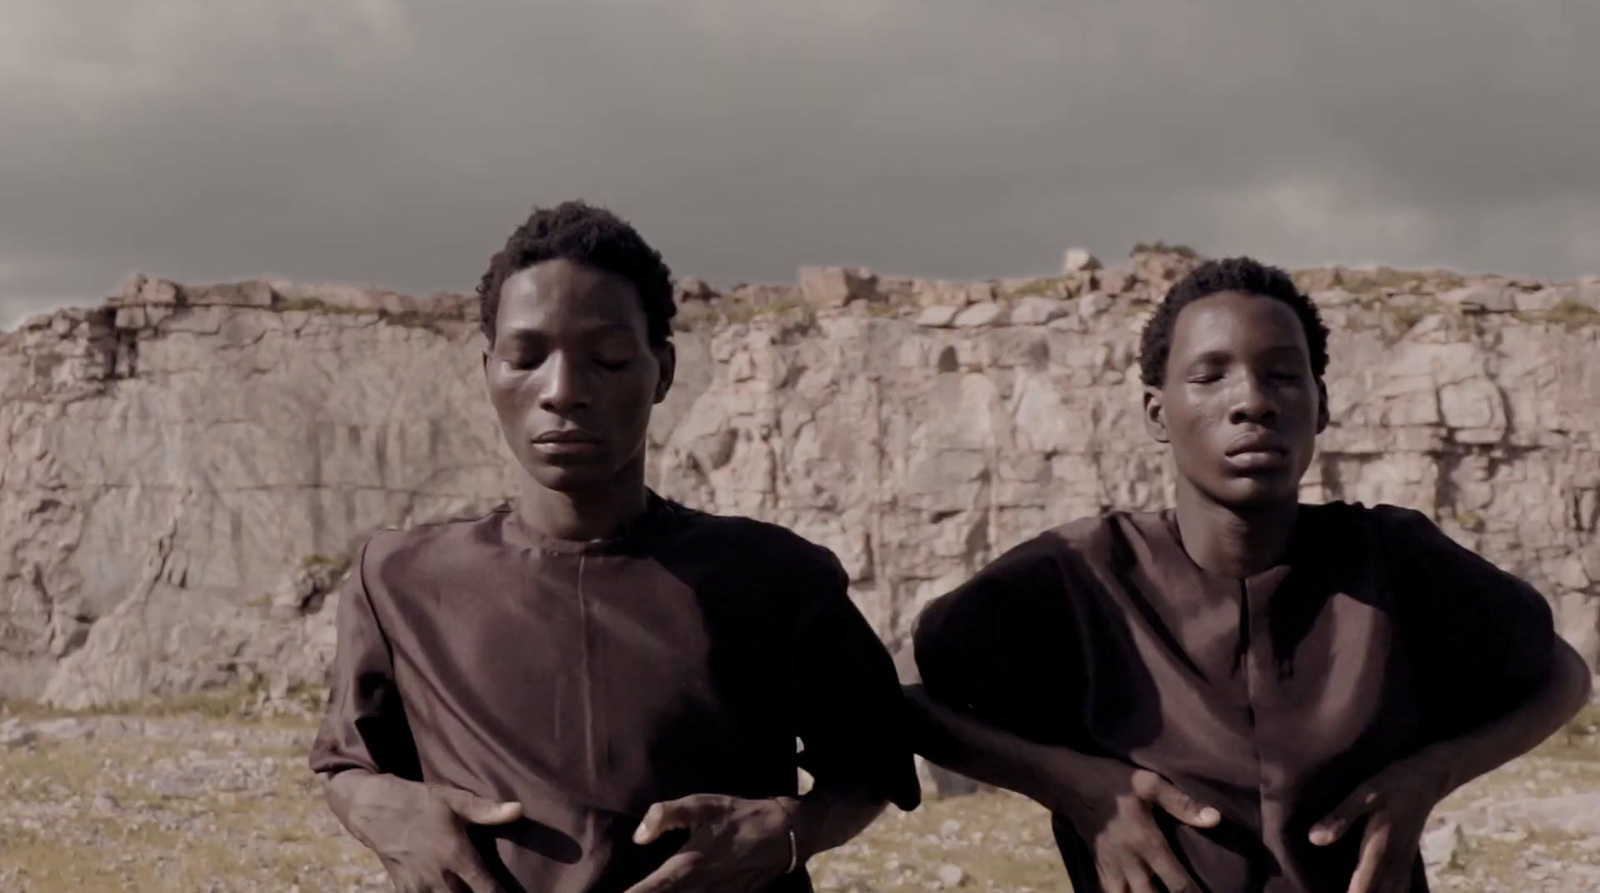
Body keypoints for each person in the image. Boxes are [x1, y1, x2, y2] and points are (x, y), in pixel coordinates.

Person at [905, 257, 1593, 893]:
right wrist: (1075, 786)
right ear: (1157, 413)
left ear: (1320, 406)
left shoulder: (1392, 559)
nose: (1252, 401)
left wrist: (1431, 775)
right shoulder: (1078, 576)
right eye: (1210, 375)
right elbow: (901, 697)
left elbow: (1562, 675)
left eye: (1282, 375)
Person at [308, 200, 920, 893]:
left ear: (661, 372)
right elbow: (346, 762)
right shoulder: (400, 580)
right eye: (525, 358)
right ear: (487, 370)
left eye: (607, 358)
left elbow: (872, 766)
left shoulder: (776, 578)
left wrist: (789, 830)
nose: (562, 391)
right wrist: (389, 810)